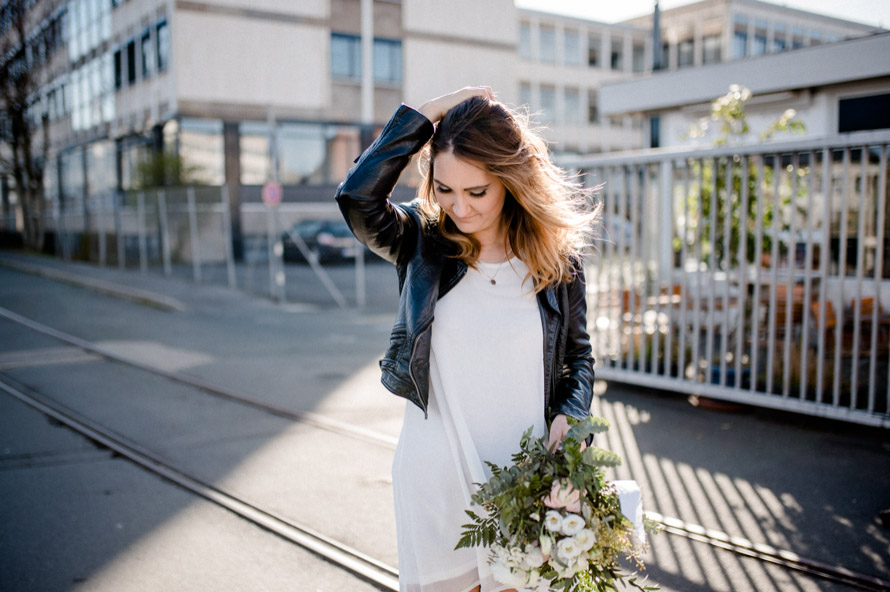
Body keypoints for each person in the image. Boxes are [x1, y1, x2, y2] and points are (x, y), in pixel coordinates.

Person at [336, 86, 597, 592]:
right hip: (437, 479)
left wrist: (572, 415)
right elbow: (357, 198)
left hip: (525, 480)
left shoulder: (556, 259)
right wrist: (428, 115)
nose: (460, 207)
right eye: (445, 189)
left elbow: (577, 357)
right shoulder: (421, 242)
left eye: (477, 192)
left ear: (511, 180)